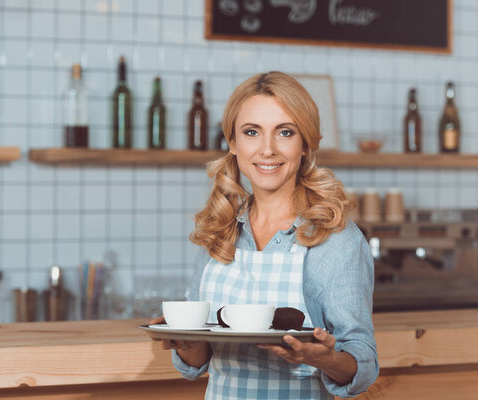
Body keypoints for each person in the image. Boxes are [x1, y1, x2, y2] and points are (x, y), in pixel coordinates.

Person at [150, 71, 378, 399]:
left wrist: (326, 358)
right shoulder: (220, 230)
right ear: (233, 142)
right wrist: (187, 341)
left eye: (285, 132)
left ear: (305, 145)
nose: (267, 149)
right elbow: (198, 361)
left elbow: (362, 363)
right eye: (252, 132)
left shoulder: (335, 239)